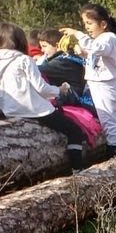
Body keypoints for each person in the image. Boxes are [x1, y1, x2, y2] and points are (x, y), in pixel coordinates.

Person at [0, 22, 89, 170]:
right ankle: (77, 170)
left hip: (8, 109)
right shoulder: (24, 60)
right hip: (32, 109)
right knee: (74, 130)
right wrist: (60, 90)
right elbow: (42, 89)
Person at [62, 4, 116, 157]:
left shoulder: (108, 38)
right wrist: (84, 55)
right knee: (113, 120)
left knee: (109, 122)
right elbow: (98, 58)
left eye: (89, 23)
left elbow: (96, 48)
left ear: (103, 24)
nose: (87, 27)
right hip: (103, 86)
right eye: (85, 24)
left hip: (105, 87)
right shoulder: (104, 39)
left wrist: (78, 35)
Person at [35, 29, 87, 95]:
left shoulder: (64, 61)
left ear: (57, 46)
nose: (42, 50)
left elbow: (37, 69)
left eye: (44, 46)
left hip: (74, 98)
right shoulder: (67, 57)